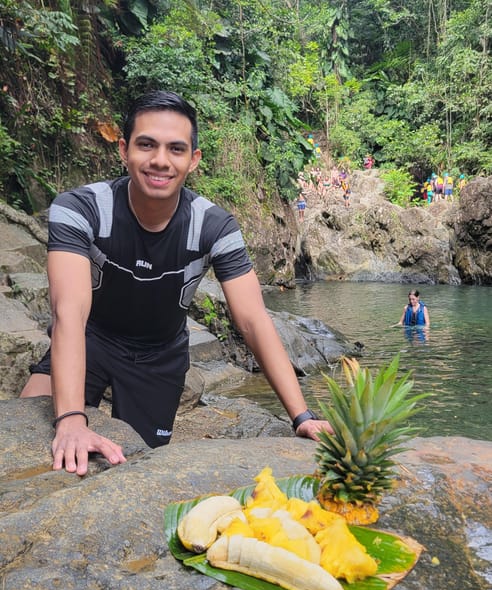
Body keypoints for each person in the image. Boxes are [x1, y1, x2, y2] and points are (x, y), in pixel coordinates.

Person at [20, 90, 331, 476]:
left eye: (176, 149)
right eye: (146, 145)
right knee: (30, 432)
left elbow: (253, 320)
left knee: (138, 470)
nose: (160, 160)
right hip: (90, 339)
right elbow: (68, 312)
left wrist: (302, 416)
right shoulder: (81, 209)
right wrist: (70, 420)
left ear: (193, 160)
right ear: (124, 150)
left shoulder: (214, 227)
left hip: (159, 357)